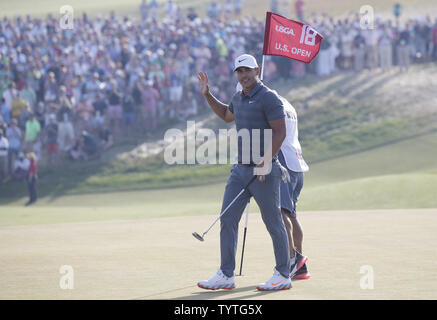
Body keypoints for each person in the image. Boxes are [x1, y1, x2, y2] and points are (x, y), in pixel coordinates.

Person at [196, 54, 292, 291]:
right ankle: (226, 275)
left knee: (273, 223)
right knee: (227, 219)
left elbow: (280, 132)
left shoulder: (269, 98)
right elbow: (227, 116)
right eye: (239, 71)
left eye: (247, 70)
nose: (244, 75)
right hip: (240, 171)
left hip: (265, 172)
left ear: (257, 70)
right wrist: (208, 94)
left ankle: (283, 275)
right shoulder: (239, 97)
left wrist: (265, 161)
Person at [277, 95, 311, 280]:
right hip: (297, 162)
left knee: (280, 212)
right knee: (291, 214)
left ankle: (291, 260)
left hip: (285, 163)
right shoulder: (287, 103)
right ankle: (300, 267)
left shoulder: (269, 101)